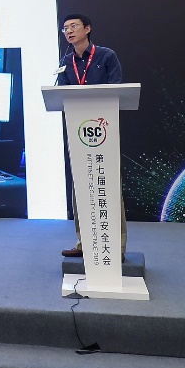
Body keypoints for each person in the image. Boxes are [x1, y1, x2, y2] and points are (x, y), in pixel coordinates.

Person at [55, 13, 124, 258]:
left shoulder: (106, 56)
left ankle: (117, 247)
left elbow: (116, 88)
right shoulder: (65, 61)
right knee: (81, 188)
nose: (69, 31)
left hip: (103, 130)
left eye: (74, 26)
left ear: (87, 29)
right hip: (79, 130)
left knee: (108, 186)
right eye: (65, 28)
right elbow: (60, 94)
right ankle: (83, 243)